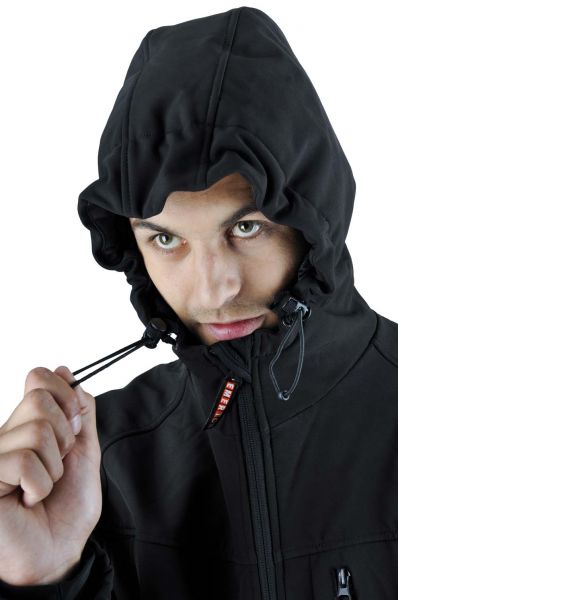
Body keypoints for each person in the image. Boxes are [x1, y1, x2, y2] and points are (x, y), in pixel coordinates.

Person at [0, 6, 397, 599]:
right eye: (166, 240)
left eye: (246, 228)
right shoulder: (95, 466)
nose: (213, 291)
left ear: (315, 218)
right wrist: (44, 578)